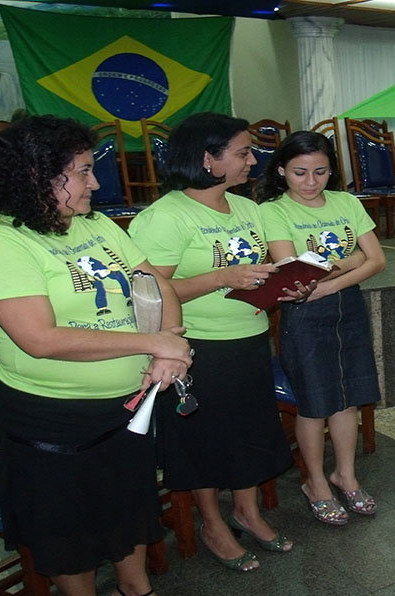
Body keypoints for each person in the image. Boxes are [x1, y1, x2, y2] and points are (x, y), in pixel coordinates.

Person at [0, 116, 192, 596]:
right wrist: (152, 344)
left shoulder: (95, 224)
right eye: (83, 171)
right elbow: (39, 339)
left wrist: (168, 340)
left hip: (125, 404)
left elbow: (155, 283)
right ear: (36, 176)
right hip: (52, 415)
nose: (96, 183)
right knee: (66, 526)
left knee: (126, 503)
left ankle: (135, 589)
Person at [127, 113, 296, 572]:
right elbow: (147, 294)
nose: (252, 160)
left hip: (249, 338)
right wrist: (221, 277)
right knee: (203, 441)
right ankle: (212, 523)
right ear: (207, 158)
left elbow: (258, 271)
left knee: (247, 433)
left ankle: (246, 511)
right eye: (242, 152)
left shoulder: (247, 208)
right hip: (198, 348)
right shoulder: (165, 217)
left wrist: (284, 285)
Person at [256, 131, 384, 526]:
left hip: (347, 307)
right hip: (304, 317)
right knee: (314, 403)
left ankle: (345, 474)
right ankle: (315, 482)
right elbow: (294, 272)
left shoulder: (346, 202)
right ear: (281, 170)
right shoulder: (273, 210)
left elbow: (377, 260)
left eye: (321, 172)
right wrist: (352, 260)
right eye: (300, 172)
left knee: (348, 397)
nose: (311, 182)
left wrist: (329, 282)